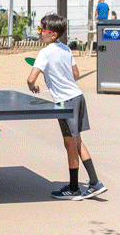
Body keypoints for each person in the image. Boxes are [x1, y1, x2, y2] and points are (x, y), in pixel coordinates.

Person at [27, 14, 107, 201]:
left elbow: (31, 79)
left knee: (70, 145)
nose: (39, 33)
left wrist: (34, 86)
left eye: (41, 30)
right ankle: (94, 183)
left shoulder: (45, 53)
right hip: (78, 97)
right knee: (76, 141)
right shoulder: (65, 49)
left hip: (65, 102)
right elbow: (76, 73)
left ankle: (74, 189)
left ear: (53, 34)